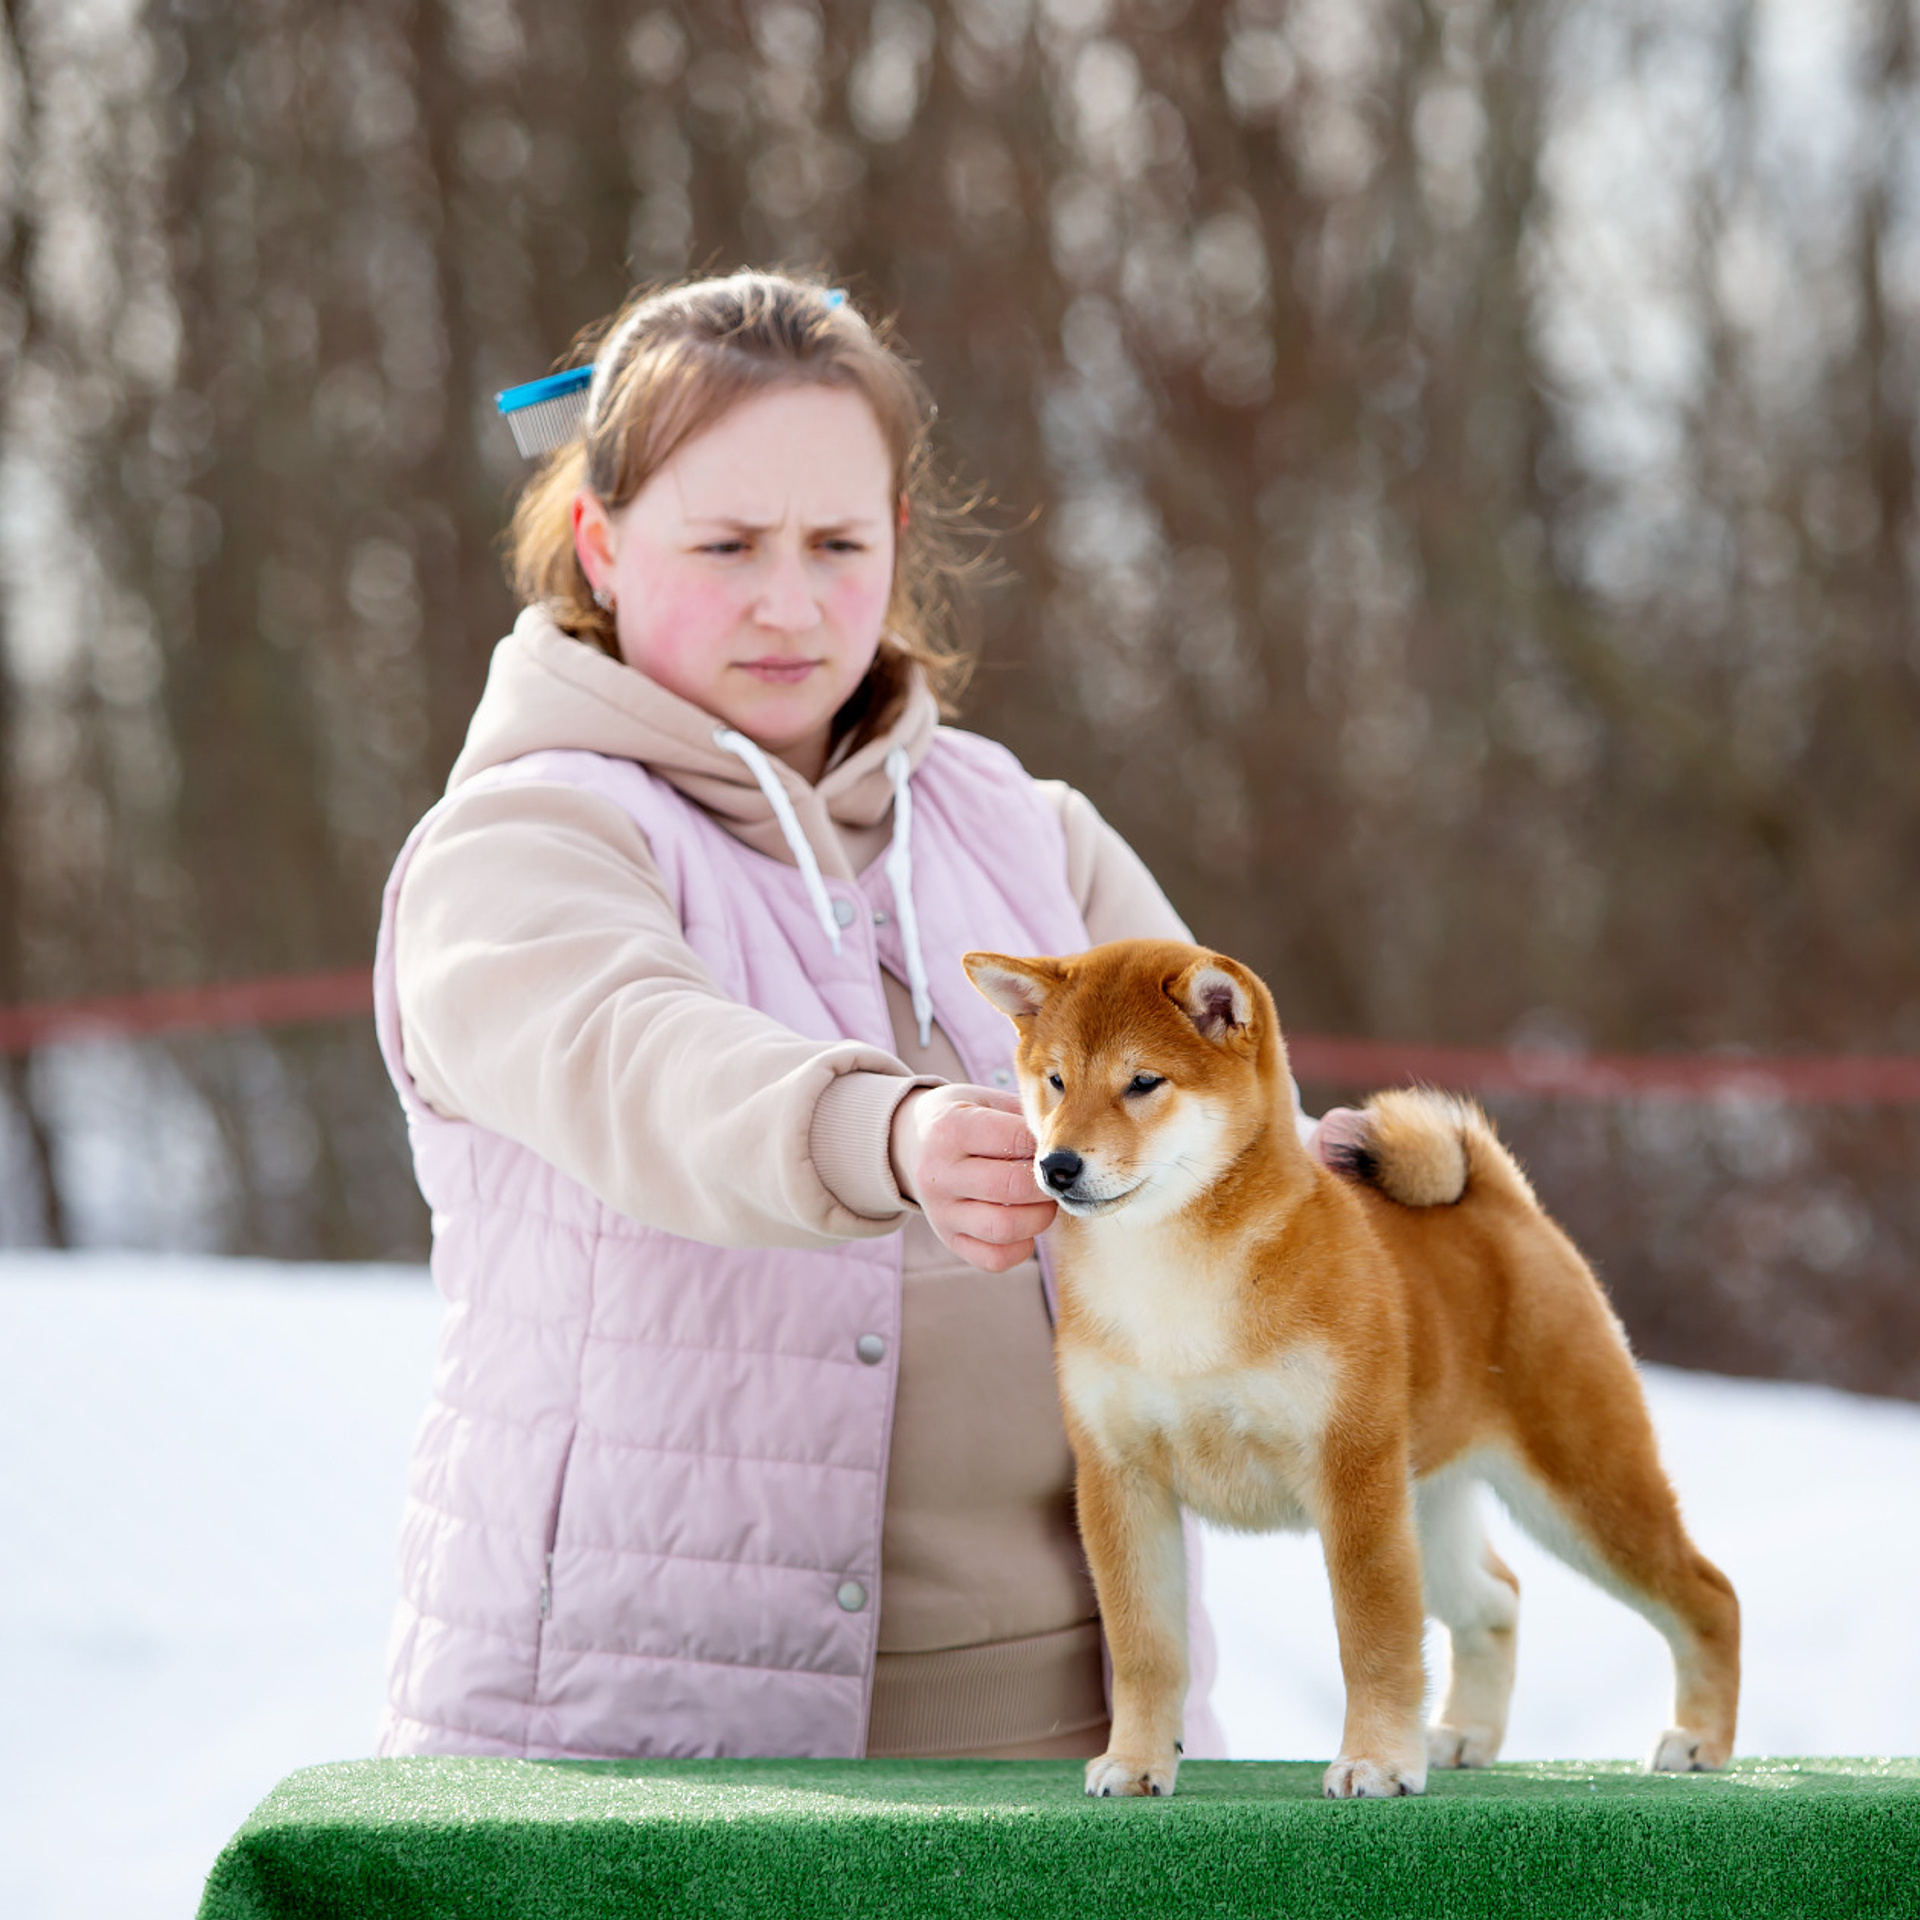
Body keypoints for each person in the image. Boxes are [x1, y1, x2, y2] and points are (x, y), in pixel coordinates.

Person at [371, 270, 1317, 1763]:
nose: (791, 602)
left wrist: (1339, 1188)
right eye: (728, 544)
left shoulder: (1028, 831)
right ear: (600, 545)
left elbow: (1230, 1121)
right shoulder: (519, 846)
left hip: (1083, 1727)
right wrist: (884, 1132)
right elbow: (638, 1061)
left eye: (836, 544)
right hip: (652, 1753)